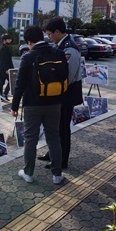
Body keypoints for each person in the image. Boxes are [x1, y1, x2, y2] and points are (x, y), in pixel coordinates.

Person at [10, 26, 64, 185]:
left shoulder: (28, 57)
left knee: (30, 139)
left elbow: (19, 85)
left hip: (33, 105)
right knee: (54, 137)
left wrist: (14, 106)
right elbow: (64, 77)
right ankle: (57, 174)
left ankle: (28, 173)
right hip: (55, 102)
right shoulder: (58, 52)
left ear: (29, 41)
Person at [41, 17, 83, 170]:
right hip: (59, 94)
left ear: (58, 32)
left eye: (50, 34)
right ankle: (53, 154)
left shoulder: (69, 48)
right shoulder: (60, 45)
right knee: (55, 127)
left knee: (63, 128)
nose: (49, 37)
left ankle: (62, 160)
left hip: (66, 94)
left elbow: (68, 77)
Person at [0, 33, 14, 102]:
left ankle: (2, 95)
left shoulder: (6, 48)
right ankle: (3, 94)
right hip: (4, 69)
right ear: (4, 40)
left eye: (10, 39)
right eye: (8, 39)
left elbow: (9, 60)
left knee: (2, 82)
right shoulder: (3, 49)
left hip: (5, 69)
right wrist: (7, 69)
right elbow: (3, 61)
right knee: (8, 82)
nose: (10, 41)